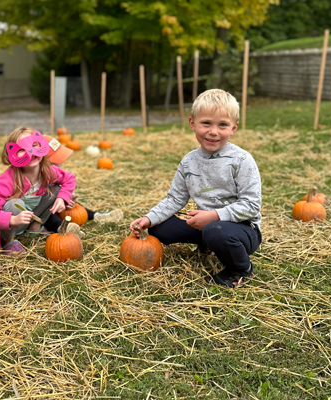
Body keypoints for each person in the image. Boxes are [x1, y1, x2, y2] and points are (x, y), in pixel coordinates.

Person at [129, 89, 262, 288]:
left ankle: (241, 269)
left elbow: (251, 206)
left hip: (241, 231)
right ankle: (208, 244)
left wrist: (214, 216)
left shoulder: (242, 160)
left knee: (215, 230)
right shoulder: (189, 161)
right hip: (206, 226)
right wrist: (149, 218)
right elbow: (175, 199)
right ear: (192, 123)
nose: (213, 131)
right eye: (206, 123)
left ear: (233, 128)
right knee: (158, 227)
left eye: (222, 125)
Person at [0, 127, 79, 254]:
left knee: (57, 190)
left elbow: (69, 178)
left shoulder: (47, 171)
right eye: (21, 149)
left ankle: (34, 227)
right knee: (15, 204)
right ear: (11, 154)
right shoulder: (6, 181)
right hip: (12, 223)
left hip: (31, 217)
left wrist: (62, 197)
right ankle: (8, 239)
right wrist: (12, 220)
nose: (31, 152)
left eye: (34, 145)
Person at [42, 135, 123, 233]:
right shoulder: (39, 176)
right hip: (44, 211)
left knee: (75, 206)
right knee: (50, 215)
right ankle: (62, 228)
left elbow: (66, 183)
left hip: (58, 203)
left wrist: (66, 197)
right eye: (58, 158)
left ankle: (97, 216)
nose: (62, 160)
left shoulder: (56, 173)